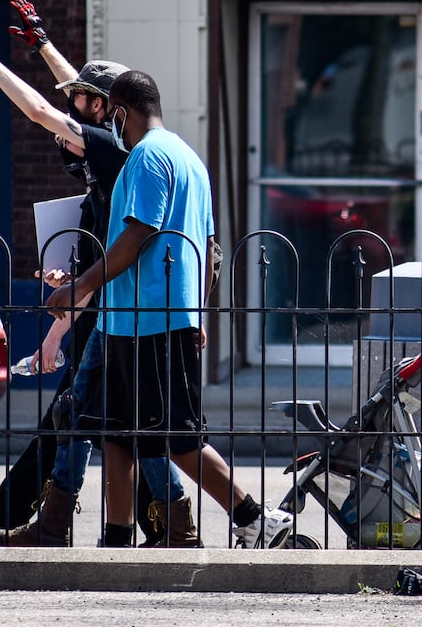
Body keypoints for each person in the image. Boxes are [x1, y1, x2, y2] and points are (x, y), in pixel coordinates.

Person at [0, 3, 192, 547]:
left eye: (87, 103)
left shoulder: (110, 146)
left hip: (115, 308)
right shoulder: (112, 142)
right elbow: (75, 91)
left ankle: (184, 523)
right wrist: (41, 44)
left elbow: (40, 109)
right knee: (104, 420)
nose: (74, 111)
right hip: (108, 304)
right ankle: (151, 527)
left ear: (109, 109)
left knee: (103, 420)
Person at [46, 70, 295, 549]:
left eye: (111, 115)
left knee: (177, 435)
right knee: (116, 430)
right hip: (137, 320)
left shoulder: (145, 157)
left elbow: (139, 235)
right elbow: (206, 245)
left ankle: (254, 516)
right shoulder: (190, 158)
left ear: (119, 112)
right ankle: (116, 537)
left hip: (149, 321)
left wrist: (80, 285)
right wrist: (198, 312)